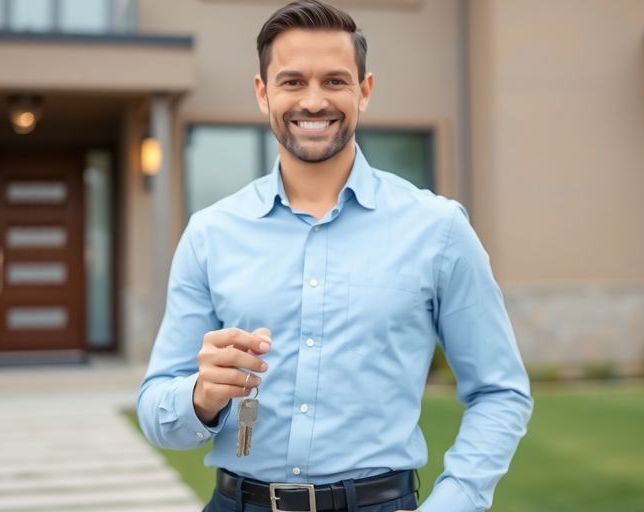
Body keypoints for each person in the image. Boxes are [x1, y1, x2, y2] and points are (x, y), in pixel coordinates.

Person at [137, 1, 533, 511]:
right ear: (263, 94)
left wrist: (453, 502)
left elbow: (500, 392)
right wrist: (200, 397)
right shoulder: (210, 234)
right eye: (292, 81)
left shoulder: (439, 229)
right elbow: (155, 410)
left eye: (335, 81)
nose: (314, 100)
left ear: (364, 91)